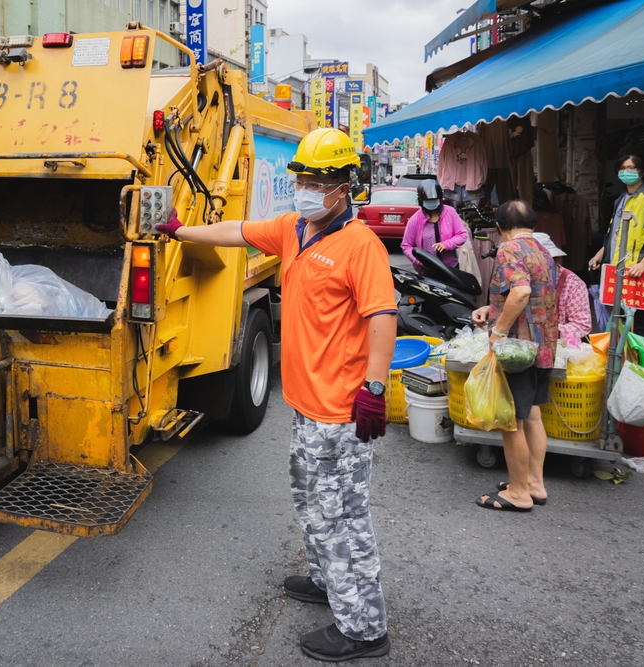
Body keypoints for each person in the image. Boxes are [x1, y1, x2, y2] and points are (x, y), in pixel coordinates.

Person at [156, 128, 396, 662]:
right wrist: (180, 230)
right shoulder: (295, 229)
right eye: (302, 178)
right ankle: (327, 581)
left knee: (343, 515)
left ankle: (363, 628)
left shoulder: (362, 247)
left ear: (344, 185)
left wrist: (374, 388)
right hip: (308, 407)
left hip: (341, 410)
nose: (306, 188)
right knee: (311, 502)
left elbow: (383, 317)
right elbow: (236, 230)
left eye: (318, 180)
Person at [472, 200, 559, 512]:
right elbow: (530, 293)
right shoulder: (544, 250)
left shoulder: (508, 249)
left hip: (518, 350)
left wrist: (499, 330)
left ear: (499, 227)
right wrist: (492, 310)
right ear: (532, 223)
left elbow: (521, 292)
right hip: (544, 345)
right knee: (532, 415)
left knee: (512, 422)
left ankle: (519, 493)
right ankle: (534, 483)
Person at [588, 154, 644, 339]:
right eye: (623, 169)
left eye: (631, 168)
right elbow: (614, 234)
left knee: (639, 320)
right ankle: (624, 362)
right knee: (620, 317)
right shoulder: (621, 199)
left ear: (643, 171)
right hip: (618, 269)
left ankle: (641, 363)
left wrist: (643, 264)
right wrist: (599, 255)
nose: (626, 172)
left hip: (638, 270)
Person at [534, 232, 591, 346]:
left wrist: (545, 329)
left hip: (559, 343)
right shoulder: (519, 278)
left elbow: (582, 325)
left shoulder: (573, 284)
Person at [400, 179, 468, 274]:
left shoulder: (450, 212)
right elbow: (406, 246)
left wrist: (446, 244)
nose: (431, 203)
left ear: (440, 199)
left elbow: (462, 235)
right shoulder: (414, 220)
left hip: (451, 268)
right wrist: (418, 262)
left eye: (434, 200)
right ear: (421, 200)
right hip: (427, 270)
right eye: (428, 201)